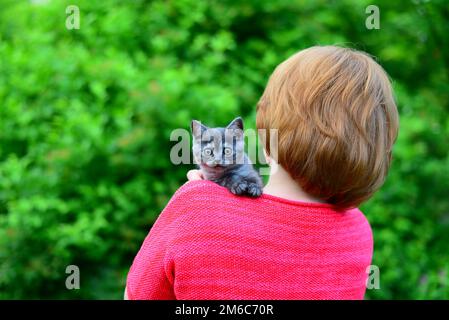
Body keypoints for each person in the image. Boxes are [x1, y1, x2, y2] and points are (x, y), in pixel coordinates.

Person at [125, 46, 399, 300]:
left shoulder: (197, 208)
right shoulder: (357, 232)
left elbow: (135, 295)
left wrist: (201, 202)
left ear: (267, 133)